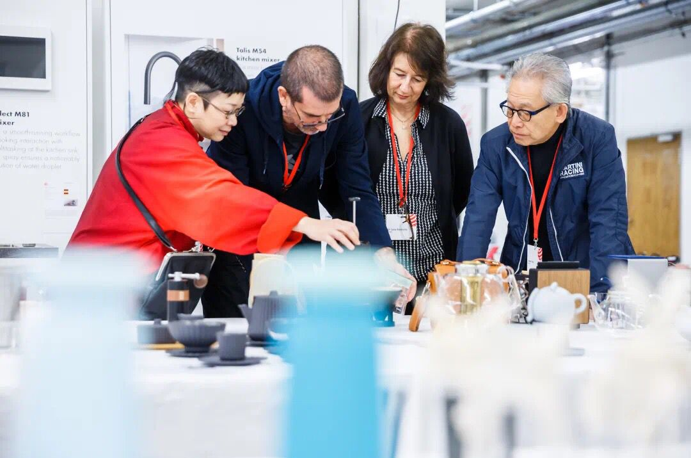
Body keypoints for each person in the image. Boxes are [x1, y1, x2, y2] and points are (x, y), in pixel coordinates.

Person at [69, 49, 360, 285]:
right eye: (228, 111)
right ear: (194, 102)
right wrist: (304, 223)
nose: (233, 122)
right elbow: (219, 196)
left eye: (238, 111)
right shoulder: (158, 142)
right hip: (100, 286)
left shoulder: (168, 132)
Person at [204, 45, 415, 317]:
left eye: (330, 116)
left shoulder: (344, 106)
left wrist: (383, 253)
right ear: (284, 97)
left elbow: (356, 186)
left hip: (301, 238)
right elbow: (234, 199)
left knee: (298, 329)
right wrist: (284, 244)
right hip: (241, 244)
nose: (324, 127)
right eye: (312, 118)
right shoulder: (242, 110)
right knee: (239, 328)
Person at [457, 53, 634, 292]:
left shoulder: (596, 139)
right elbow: (478, 219)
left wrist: (599, 293)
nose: (514, 122)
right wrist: (466, 285)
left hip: (583, 273)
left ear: (559, 111)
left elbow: (608, 223)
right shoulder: (496, 145)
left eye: (525, 113)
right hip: (521, 273)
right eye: (510, 109)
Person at [359, 23, 474, 310]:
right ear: (386, 68)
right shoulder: (360, 120)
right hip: (371, 274)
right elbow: (344, 190)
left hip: (432, 273)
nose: (405, 87)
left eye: (417, 79)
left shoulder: (448, 125)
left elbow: (461, 191)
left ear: (430, 81)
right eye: (399, 74)